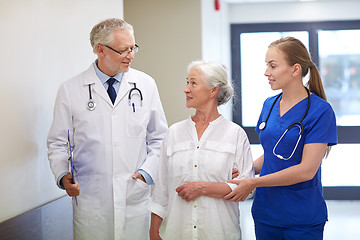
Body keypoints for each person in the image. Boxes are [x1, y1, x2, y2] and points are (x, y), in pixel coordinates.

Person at [47, 18, 168, 240]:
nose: (130, 55)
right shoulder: (70, 90)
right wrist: (63, 175)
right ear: (100, 50)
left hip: (134, 196)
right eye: (123, 50)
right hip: (91, 201)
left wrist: (145, 173)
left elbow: (160, 138)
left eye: (133, 48)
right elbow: (56, 142)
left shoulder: (145, 84)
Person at [224, 37, 337, 240]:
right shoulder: (269, 104)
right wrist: (246, 168)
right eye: (267, 65)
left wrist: (253, 182)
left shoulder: (321, 111)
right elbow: (273, 155)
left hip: (301, 218)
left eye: (273, 66)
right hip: (266, 214)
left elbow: (306, 170)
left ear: (295, 70)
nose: (266, 72)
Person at [148, 60, 254, 240]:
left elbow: (247, 188)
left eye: (193, 83)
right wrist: (153, 231)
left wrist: (203, 188)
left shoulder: (235, 134)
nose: (186, 89)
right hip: (178, 233)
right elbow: (161, 191)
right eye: (187, 82)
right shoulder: (173, 133)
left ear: (213, 90)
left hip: (221, 233)